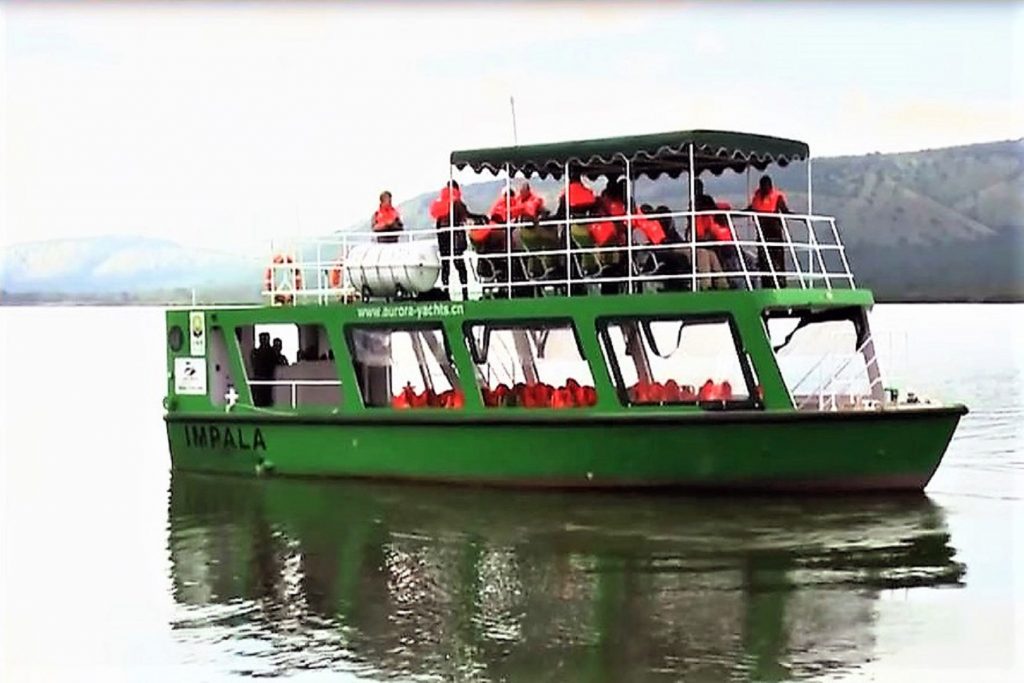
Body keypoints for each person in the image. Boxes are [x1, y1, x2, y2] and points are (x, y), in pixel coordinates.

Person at [429, 180, 482, 300]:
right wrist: (481, 217)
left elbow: (438, 222)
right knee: (460, 265)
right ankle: (465, 293)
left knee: (445, 265)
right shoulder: (457, 203)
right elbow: (466, 215)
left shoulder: (441, 204)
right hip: (455, 237)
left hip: (443, 238)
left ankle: (446, 293)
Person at [745, 174, 790, 288]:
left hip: (774, 234)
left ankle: (780, 283)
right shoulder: (757, 197)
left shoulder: (777, 197)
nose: (765, 189)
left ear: (770, 187)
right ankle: (766, 284)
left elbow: (784, 211)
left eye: (767, 187)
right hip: (762, 234)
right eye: (763, 187)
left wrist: (798, 217)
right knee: (763, 261)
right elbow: (750, 209)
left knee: (777, 262)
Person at [250, 332, 277, 406]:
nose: (264, 340)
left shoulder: (271, 352)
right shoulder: (256, 352)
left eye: (265, 339)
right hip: (260, 378)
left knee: (267, 396)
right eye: (262, 339)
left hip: (268, 377)